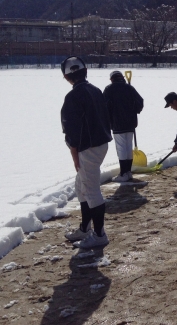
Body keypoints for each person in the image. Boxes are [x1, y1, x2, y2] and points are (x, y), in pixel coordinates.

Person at [60, 56, 112, 248]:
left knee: (90, 190)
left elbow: (71, 129)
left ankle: (99, 235)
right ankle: (85, 228)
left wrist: (74, 154)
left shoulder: (73, 96)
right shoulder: (96, 90)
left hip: (88, 147)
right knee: (81, 187)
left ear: (66, 77)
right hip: (100, 144)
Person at [103, 71, 144, 182]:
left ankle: (123, 173)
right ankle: (128, 172)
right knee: (128, 147)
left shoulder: (109, 89)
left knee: (121, 148)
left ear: (112, 79)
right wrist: (135, 111)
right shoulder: (129, 88)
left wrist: (108, 117)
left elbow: (104, 105)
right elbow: (140, 101)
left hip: (117, 123)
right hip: (131, 123)